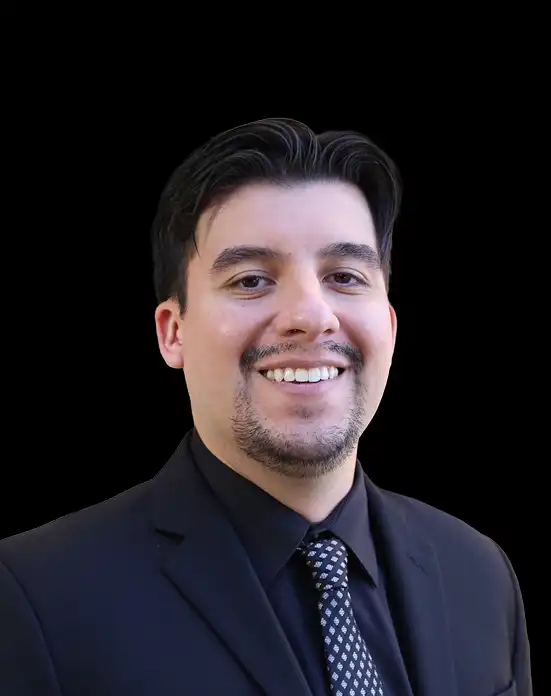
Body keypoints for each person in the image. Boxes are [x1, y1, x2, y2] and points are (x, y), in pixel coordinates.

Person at [0, 118, 530, 696]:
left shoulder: (481, 575)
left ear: (391, 324)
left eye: (345, 276)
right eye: (251, 280)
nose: (311, 315)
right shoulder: (35, 597)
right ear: (173, 332)